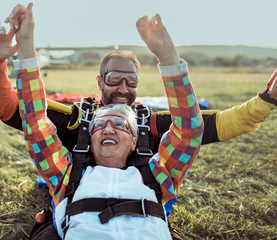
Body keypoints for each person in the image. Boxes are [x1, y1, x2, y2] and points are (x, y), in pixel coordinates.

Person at [0, 3, 277, 239]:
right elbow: (25, 116)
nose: (123, 89)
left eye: (131, 81)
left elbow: (201, 127)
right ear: (99, 82)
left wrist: (266, 100)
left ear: (137, 137)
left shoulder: (153, 140)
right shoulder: (74, 123)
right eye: (114, 79)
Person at [13, 3, 203, 239]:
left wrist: (168, 58)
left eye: (121, 125)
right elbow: (34, 123)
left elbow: (189, 131)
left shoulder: (157, 175)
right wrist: (25, 45)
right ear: (90, 140)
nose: (109, 128)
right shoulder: (69, 175)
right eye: (99, 125)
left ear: (134, 141)